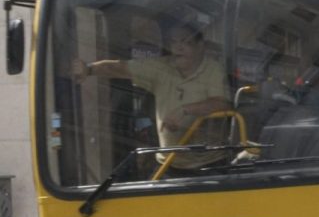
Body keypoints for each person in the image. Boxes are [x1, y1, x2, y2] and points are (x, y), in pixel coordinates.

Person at [79, 19, 229, 169]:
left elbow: (221, 104)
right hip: (168, 163)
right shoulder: (161, 67)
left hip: (209, 163)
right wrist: (88, 69)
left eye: (185, 42)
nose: (178, 47)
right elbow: (119, 68)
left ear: (200, 46)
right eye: (173, 42)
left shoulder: (213, 70)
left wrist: (185, 110)